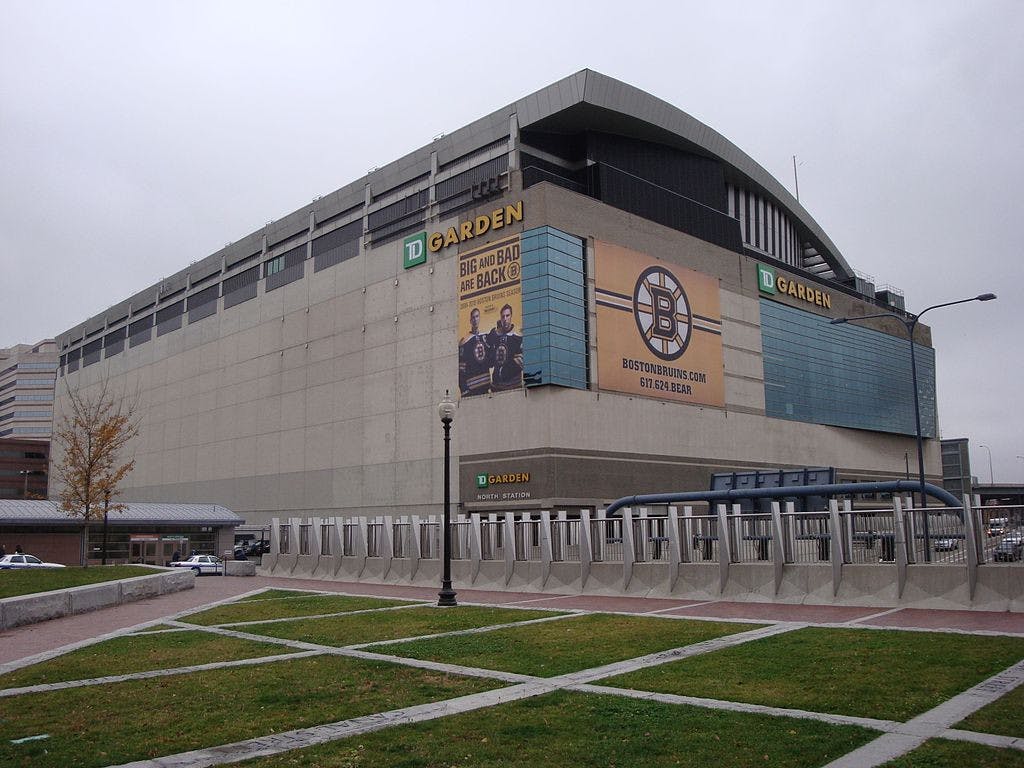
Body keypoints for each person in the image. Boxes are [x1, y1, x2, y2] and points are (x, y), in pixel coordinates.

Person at [487, 303, 523, 391]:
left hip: (514, 386)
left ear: (511, 316)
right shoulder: (494, 335)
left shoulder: (518, 336)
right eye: (503, 316)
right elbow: (489, 358)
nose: (505, 319)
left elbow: (521, 361)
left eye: (507, 316)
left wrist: (504, 372)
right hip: (496, 386)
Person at [459, 306, 491, 396]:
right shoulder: (464, 341)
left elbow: (490, 360)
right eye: (473, 317)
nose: (475, 319)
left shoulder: (485, 337)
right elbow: (461, 368)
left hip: (486, 386)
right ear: (470, 320)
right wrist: (464, 389)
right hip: (472, 389)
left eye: (477, 316)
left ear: (480, 318)